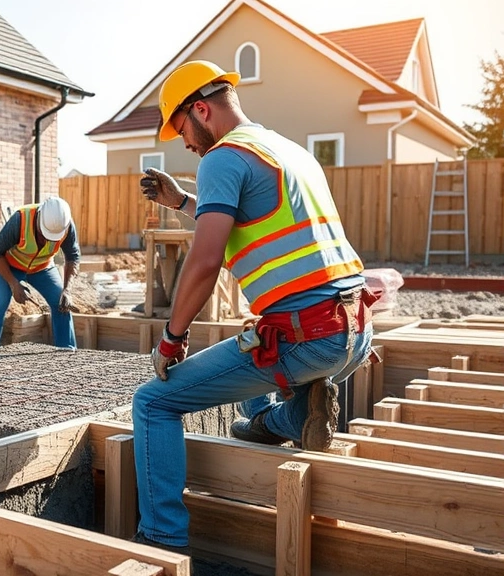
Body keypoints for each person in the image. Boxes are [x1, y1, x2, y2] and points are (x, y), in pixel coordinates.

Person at [130, 60, 378, 552]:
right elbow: (251, 221)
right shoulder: (287, 149)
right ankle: (286, 418)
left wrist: (171, 339)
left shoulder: (221, 158)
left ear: (200, 109)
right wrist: (183, 203)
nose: (184, 141)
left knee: (153, 403)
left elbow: (204, 260)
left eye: (181, 127)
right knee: (251, 355)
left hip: (309, 338)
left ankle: (161, 539)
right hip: (355, 331)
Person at [0, 196, 80, 350]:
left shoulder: (66, 226)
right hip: (10, 265)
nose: (46, 239)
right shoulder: (20, 219)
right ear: (39, 217)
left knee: (61, 302)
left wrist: (67, 290)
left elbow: (73, 257)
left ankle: (67, 351)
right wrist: (13, 283)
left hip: (42, 267)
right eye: (44, 233)